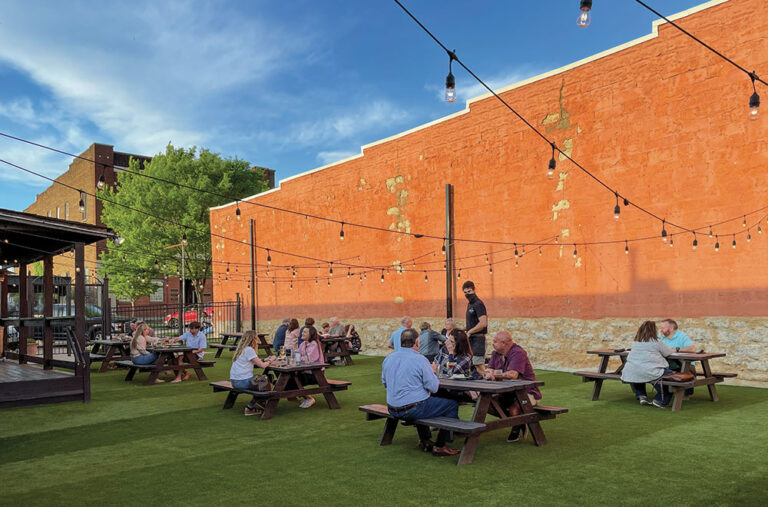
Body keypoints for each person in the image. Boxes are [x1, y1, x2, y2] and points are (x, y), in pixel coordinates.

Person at [381, 328, 460, 457]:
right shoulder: (420, 359)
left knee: (422, 400)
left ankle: (425, 440)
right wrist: (433, 372)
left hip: (392, 408)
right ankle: (440, 445)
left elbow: (385, 383)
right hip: (411, 409)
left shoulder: (389, 358)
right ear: (417, 342)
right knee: (451, 404)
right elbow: (434, 388)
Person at [484, 330, 541, 442]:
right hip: (506, 392)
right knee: (486, 404)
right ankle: (519, 422)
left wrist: (494, 375)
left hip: (526, 392)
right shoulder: (496, 354)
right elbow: (488, 370)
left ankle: (516, 426)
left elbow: (513, 374)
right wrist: (487, 374)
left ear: (504, 343)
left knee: (514, 408)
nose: (492, 343)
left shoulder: (518, 353)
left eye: (495, 341)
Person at [621, 321, 675, 408]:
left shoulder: (636, 342)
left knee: (638, 372)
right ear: (653, 330)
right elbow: (667, 353)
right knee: (670, 377)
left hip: (631, 370)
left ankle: (641, 395)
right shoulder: (656, 341)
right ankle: (659, 400)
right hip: (650, 370)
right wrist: (674, 349)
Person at [230, 330, 278, 416]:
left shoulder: (242, 349)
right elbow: (263, 366)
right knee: (265, 383)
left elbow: (255, 360)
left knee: (266, 378)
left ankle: (261, 401)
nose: (258, 340)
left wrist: (265, 359)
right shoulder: (249, 349)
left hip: (235, 381)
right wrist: (271, 359)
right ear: (253, 339)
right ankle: (250, 407)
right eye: (257, 337)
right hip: (242, 381)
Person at [659, 318, 696, 397]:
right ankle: (666, 392)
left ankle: (686, 391)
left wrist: (676, 349)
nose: (660, 330)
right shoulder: (660, 337)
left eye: (663, 328)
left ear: (671, 328)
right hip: (667, 364)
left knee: (681, 370)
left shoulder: (682, 336)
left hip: (684, 365)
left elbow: (693, 349)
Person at [462, 281, 488, 375]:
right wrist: (462, 330)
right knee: (475, 366)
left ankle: (490, 384)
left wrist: (469, 332)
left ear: (474, 290)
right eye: (465, 292)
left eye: (469, 291)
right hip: (472, 340)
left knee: (479, 365)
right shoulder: (470, 305)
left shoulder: (478, 304)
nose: (467, 294)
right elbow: (472, 324)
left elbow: (483, 323)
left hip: (478, 339)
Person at [297, 326, 324, 409]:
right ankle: (293, 396)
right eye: (302, 331)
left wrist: (299, 358)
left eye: (305, 332)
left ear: (311, 334)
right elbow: (297, 357)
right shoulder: (302, 344)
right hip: (304, 371)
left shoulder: (314, 344)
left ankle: (310, 398)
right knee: (288, 378)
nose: (302, 333)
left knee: (293, 379)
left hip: (315, 374)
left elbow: (310, 359)